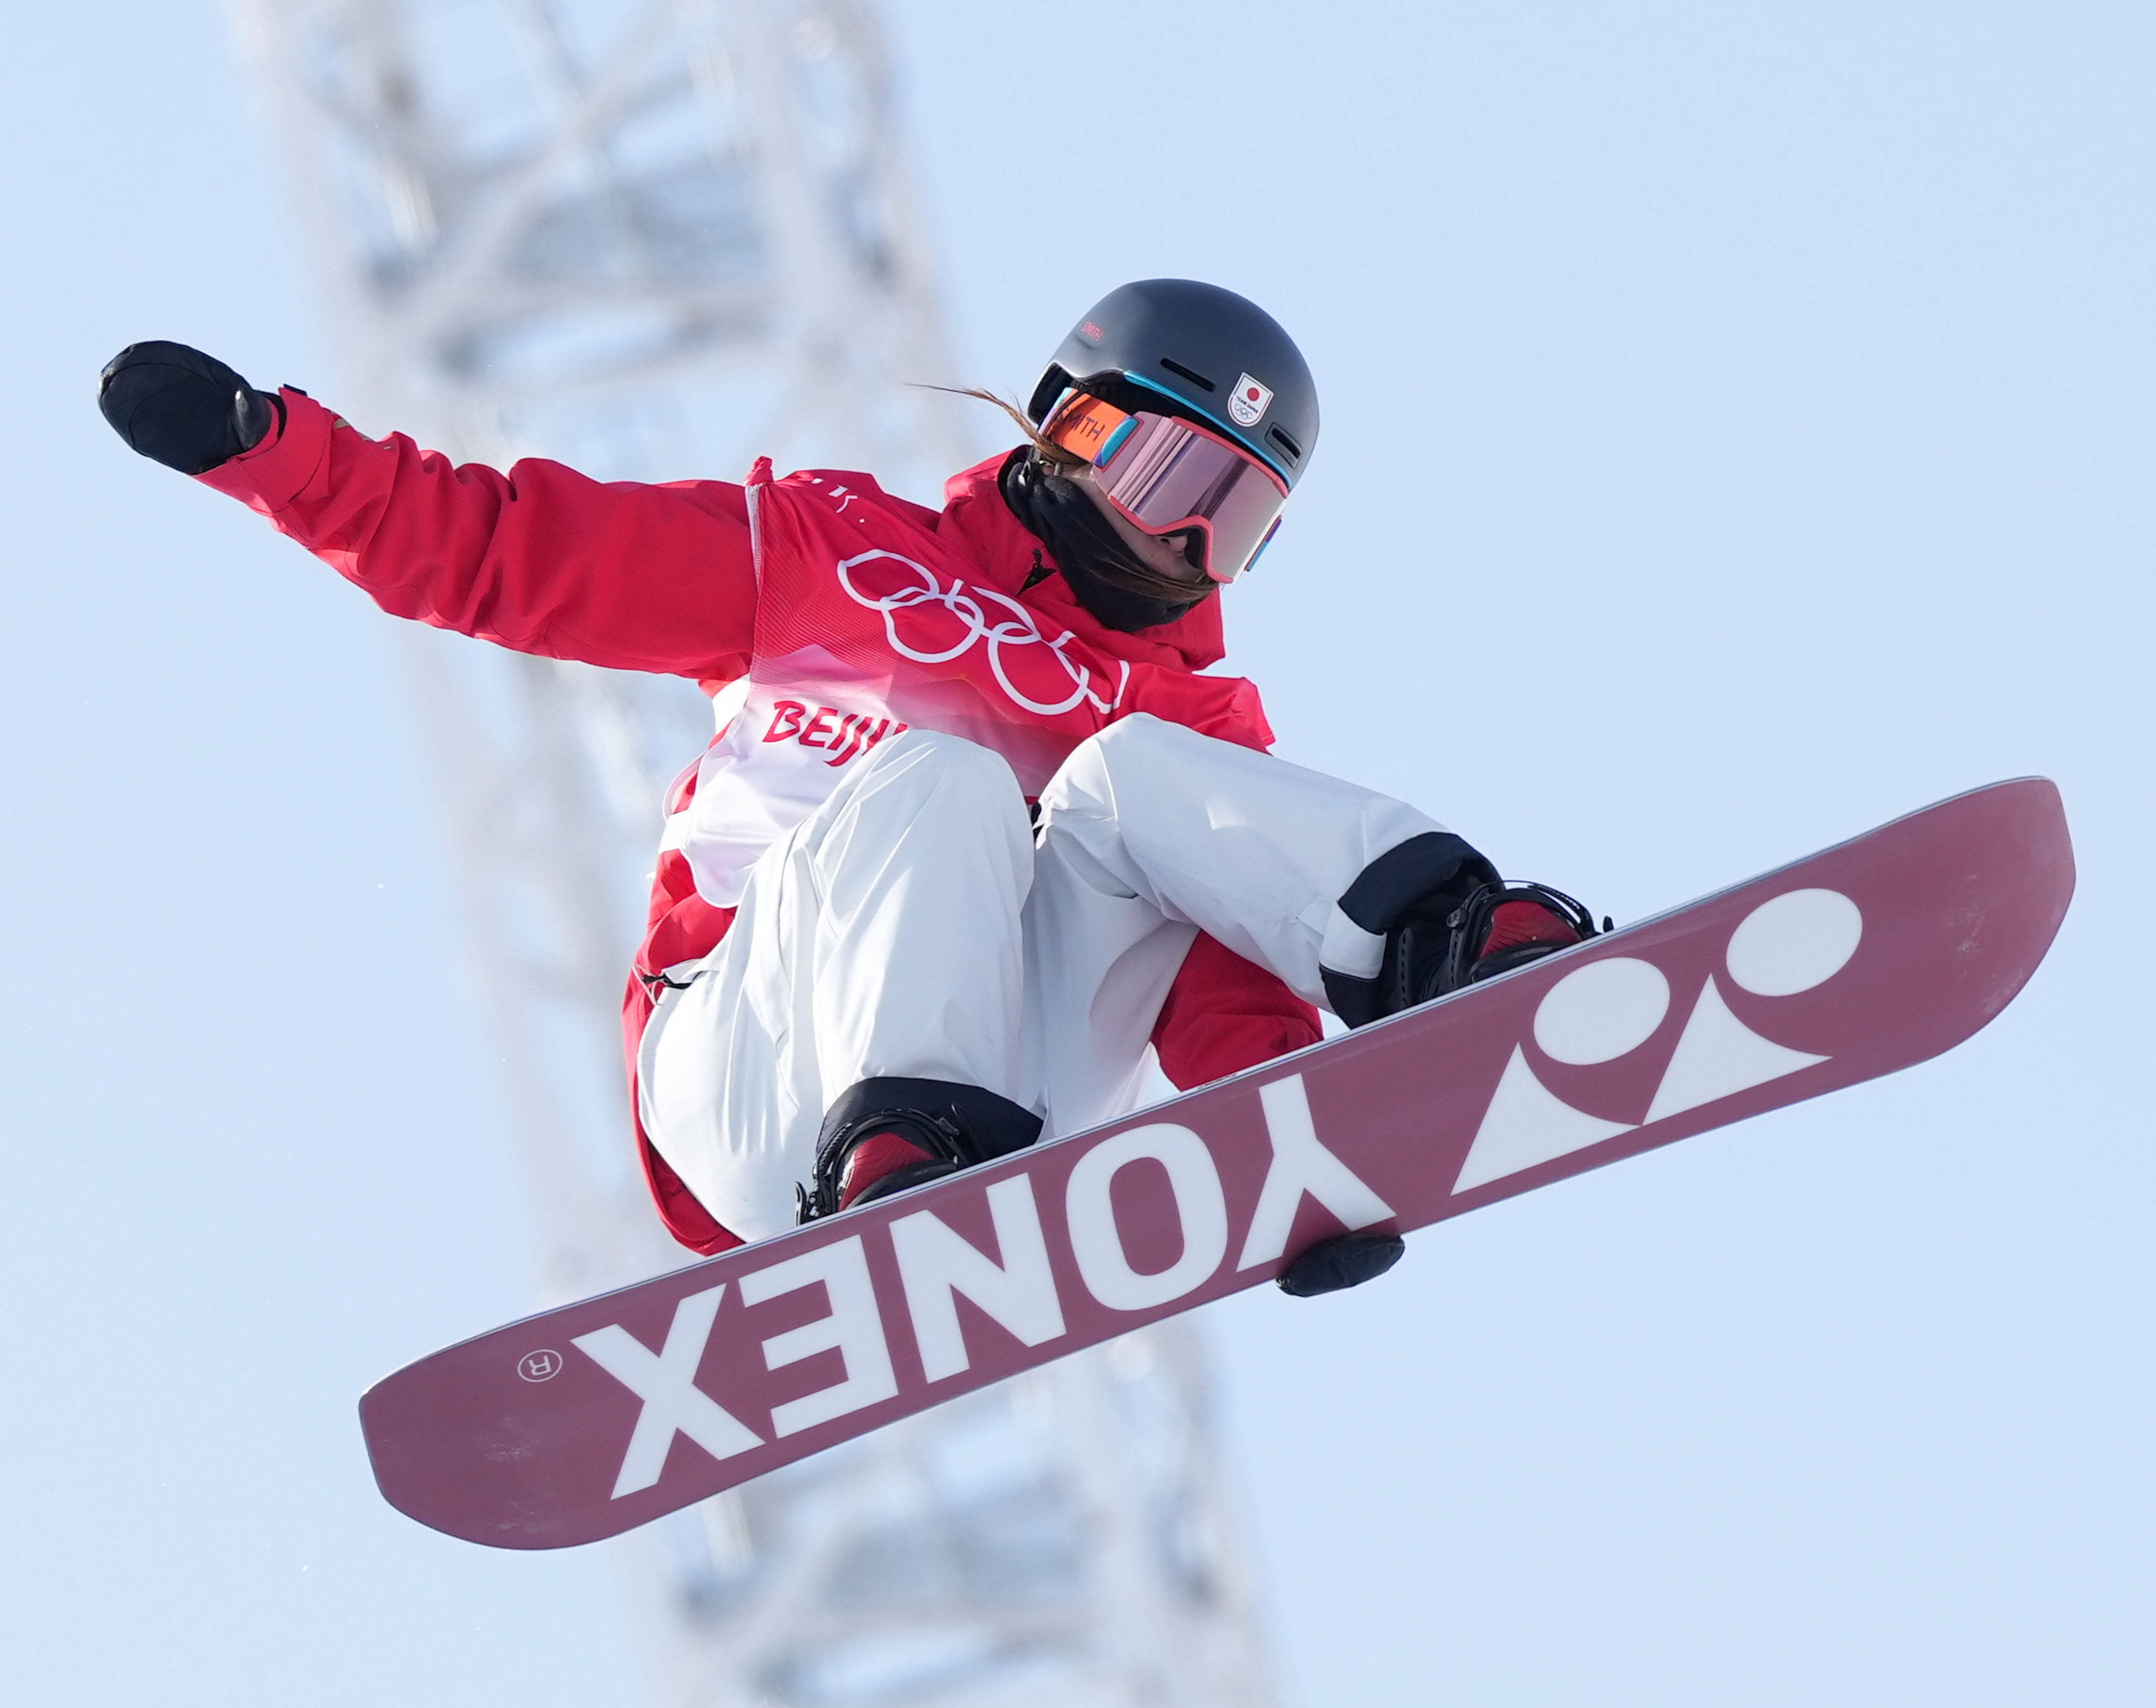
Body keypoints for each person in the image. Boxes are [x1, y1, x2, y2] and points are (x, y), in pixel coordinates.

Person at [98, 279, 1596, 1295]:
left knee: (1144, 770)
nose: (1182, 548)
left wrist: (1285, 1163)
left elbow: (1210, 971)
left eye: (1233, 519)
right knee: (937, 776)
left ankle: (1445, 938)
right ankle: (894, 1146)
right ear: (1068, 425)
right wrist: (268, 451)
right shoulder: (820, 550)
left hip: (1021, 1095)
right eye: (1164, 483)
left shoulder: (1180, 702)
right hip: (754, 1070)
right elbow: (504, 549)